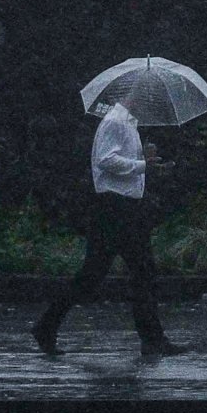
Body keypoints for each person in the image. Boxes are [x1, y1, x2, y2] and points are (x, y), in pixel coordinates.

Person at [33, 92, 174, 357]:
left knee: (104, 276)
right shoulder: (117, 121)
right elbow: (106, 160)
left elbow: (118, 160)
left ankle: (47, 326)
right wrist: (143, 164)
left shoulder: (126, 123)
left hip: (121, 209)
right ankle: (152, 340)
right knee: (135, 273)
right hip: (115, 209)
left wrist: (144, 160)